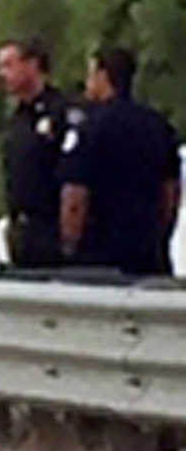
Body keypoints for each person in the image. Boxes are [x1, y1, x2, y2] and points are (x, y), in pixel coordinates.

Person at [60, 45, 182, 280]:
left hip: (99, 252)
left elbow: (75, 194)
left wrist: (69, 245)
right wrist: (162, 232)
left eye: (90, 74)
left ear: (103, 76)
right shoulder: (157, 126)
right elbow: (171, 192)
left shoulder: (89, 127)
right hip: (147, 251)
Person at [0, 39, 77, 272]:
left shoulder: (61, 112)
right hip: (23, 230)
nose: (2, 74)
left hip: (51, 227)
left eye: (8, 65)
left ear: (31, 65)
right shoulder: (16, 118)